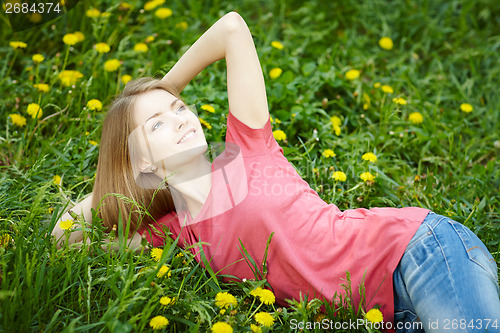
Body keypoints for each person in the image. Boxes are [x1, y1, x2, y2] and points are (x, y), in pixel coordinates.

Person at [52, 12, 500, 332]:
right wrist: (120, 173)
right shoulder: (175, 236)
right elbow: (64, 238)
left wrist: (162, 89)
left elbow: (231, 27)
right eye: (159, 124)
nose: (182, 117)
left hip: (417, 254)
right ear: (142, 161)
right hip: (385, 317)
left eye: (180, 108)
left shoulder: (247, 148)